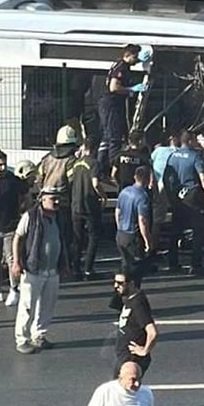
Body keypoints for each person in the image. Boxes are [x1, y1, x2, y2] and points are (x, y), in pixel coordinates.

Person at [11, 186, 66, 354]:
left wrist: (65, 264)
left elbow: (63, 240)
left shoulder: (59, 217)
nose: (56, 201)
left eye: (57, 198)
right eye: (52, 198)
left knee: (47, 306)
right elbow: (17, 238)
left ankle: (39, 336)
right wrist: (16, 262)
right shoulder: (31, 216)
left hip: (52, 270)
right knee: (27, 305)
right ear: (42, 199)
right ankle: (22, 339)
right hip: (33, 269)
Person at [165, 129, 204, 275]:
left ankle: (173, 263)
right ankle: (195, 264)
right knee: (198, 229)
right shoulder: (195, 157)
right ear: (190, 141)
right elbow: (203, 177)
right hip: (192, 195)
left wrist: (170, 195)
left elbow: (167, 177)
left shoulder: (172, 156)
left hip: (177, 197)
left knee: (176, 230)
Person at [0, 146, 27, 307]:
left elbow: (25, 192)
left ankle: (14, 289)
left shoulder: (12, 179)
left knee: (11, 259)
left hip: (10, 225)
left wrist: (22, 208)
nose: (2, 168)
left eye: (4, 164)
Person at [97, 44, 145, 172]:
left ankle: (101, 165)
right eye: (135, 57)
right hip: (111, 104)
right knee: (114, 136)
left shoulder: (122, 65)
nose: (136, 60)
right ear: (127, 55)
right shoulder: (121, 68)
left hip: (111, 104)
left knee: (108, 136)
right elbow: (114, 87)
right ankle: (114, 167)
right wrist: (131, 89)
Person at [37, 124, 79, 261]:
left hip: (44, 201)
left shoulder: (46, 159)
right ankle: (65, 261)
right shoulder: (71, 161)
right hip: (63, 203)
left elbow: (39, 179)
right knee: (64, 234)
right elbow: (72, 182)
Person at [71, 136, 106, 280]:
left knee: (77, 238)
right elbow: (96, 182)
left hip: (76, 204)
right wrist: (103, 196)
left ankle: (75, 268)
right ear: (94, 149)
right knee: (93, 237)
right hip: (90, 205)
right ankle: (88, 269)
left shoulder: (76, 163)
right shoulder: (94, 163)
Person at [111, 271, 158, 378]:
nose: (115, 286)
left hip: (132, 358)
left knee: (123, 390)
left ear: (131, 284)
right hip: (125, 357)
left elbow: (152, 332)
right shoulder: (130, 299)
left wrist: (144, 350)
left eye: (120, 283)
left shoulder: (138, 304)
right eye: (114, 282)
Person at [115, 166, 152, 284]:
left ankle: (122, 293)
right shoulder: (142, 196)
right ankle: (132, 293)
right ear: (147, 179)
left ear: (135, 177)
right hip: (132, 236)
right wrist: (147, 240)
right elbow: (142, 221)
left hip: (121, 234)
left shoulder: (124, 191)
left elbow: (117, 212)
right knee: (135, 270)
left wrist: (119, 228)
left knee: (125, 265)